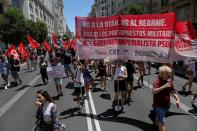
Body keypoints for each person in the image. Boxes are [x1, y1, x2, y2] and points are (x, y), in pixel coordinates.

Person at [152, 65, 180, 131]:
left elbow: (173, 92)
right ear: (161, 74)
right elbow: (153, 92)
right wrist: (164, 86)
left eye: (169, 73)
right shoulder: (157, 82)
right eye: (166, 73)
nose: (168, 75)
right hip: (159, 105)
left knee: (159, 117)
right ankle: (159, 124)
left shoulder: (170, 81)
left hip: (166, 105)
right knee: (162, 122)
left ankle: (156, 123)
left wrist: (178, 100)